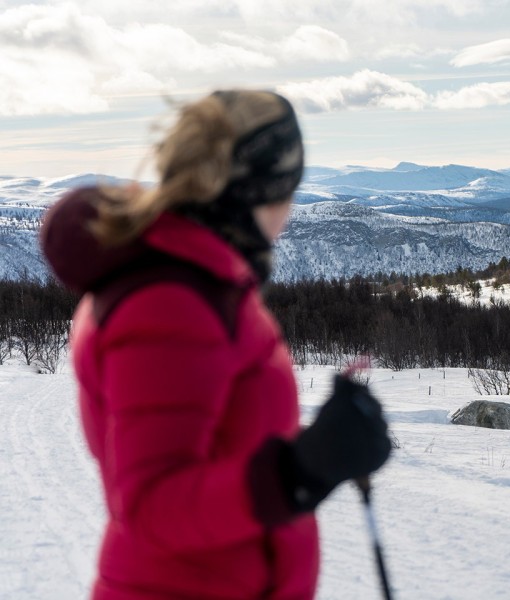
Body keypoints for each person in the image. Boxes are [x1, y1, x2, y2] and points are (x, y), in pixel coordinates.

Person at [40, 89, 392, 599]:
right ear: (252, 192)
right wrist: (302, 469)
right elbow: (151, 507)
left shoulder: (201, 282)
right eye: (286, 192)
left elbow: (227, 437)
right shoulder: (169, 303)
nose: (289, 213)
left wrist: (319, 449)